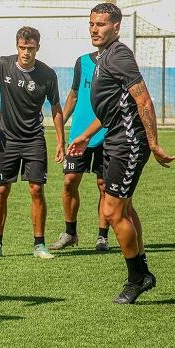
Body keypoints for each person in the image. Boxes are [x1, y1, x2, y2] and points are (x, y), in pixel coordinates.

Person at [68, 3, 175, 304]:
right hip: (114, 140)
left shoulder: (120, 55)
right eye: (91, 23)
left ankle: (136, 279)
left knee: (113, 212)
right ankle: (143, 273)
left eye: (101, 24)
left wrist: (153, 144)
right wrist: (86, 135)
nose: (94, 29)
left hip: (128, 144)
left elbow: (144, 101)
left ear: (116, 27)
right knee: (122, 209)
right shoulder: (104, 58)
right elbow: (113, 108)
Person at [0, 26, 65, 260]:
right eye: (22, 47)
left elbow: (56, 108)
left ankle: (39, 245)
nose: (26, 52)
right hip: (7, 140)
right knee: (2, 190)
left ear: (38, 47)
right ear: (16, 46)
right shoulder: (3, 65)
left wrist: (60, 141)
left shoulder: (47, 74)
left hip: (34, 138)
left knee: (36, 189)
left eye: (31, 48)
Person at [50, 51, 111, 252]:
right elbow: (75, 93)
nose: (95, 30)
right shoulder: (82, 62)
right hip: (78, 135)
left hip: (106, 134)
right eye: (92, 25)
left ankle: (102, 237)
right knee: (69, 181)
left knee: (103, 185)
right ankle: (70, 233)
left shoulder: (117, 62)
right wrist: (62, 120)